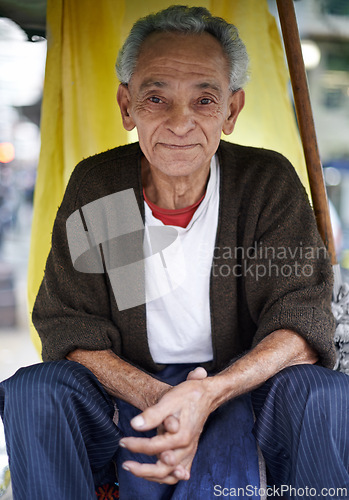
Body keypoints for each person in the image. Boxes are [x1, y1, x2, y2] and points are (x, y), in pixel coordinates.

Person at [1, 5, 349, 500]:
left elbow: (301, 319)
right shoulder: (103, 188)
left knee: (325, 396)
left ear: (231, 110)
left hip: (241, 388)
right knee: (32, 390)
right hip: (127, 396)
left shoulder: (264, 184)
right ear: (128, 107)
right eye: (157, 97)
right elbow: (67, 324)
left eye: (205, 99)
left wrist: (208, 394)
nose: (180, 122)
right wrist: (161, 398)